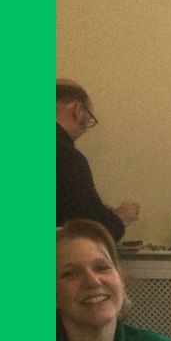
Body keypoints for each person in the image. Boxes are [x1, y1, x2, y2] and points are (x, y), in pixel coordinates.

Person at [56, 80, 140, 241]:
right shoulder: (67, 157)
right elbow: (93, 235)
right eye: (89, 120)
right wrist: (121, 217)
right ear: (78, 110)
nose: (85, 130)